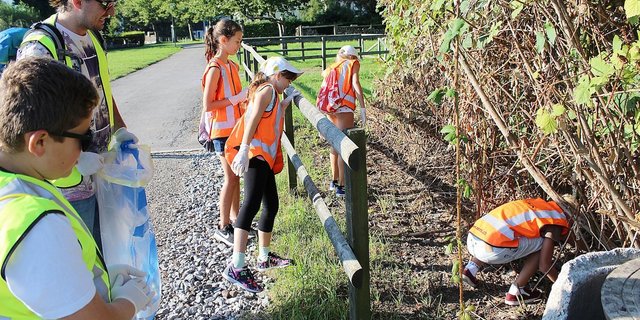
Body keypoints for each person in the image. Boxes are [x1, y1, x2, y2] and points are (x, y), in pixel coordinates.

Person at [0, 57, 153, 319]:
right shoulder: (38, 224)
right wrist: (129, 303)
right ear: (39, 143)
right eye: (83, 138)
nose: (88, 147)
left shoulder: (16, 185)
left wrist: (95, 283)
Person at [17, 0, 136, 248]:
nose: (112, 11)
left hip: (100, 173)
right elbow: (27, 121)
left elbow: (101, 89)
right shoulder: (40, 47)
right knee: (81, 260)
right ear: (77, 1)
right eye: (105, 3)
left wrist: (121, 129)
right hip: (68, 187)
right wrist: (77, 159)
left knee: (107, 255)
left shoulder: (93, 36)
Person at [222, 56, 302, 293]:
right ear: (277, 75)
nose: (289, 83)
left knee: (271, 205)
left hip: (263, 157)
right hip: (255, 155)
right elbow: (253, 118)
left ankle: (263, 258)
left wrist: (287, 101)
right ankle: (236, 266)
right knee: (251, 205)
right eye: (288, 79)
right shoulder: (267, 90)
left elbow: (271, 115)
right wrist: (244, 149)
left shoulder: (273, 94)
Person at [461, 198, 570, 306]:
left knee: (500, 231)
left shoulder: (537, 204)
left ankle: (470, 269)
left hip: (473, 239)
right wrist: (565, 286)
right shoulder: (556, 220)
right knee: (543, 244)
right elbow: (544, 266)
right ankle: (516, 292)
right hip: (493, 250)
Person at [201, 18, 247, 246]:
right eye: (237, 41)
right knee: (230, 178)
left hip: (236, 130)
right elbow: (208, 104)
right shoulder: (215, 68)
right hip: (222, 132)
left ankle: (237, 221)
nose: (239, 45)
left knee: (236, 177)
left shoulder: (231, 66)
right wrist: (236, 99)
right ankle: (223, 226)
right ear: (223, 40)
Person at [320, 45, 366, 197]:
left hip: (330, 108)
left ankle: (334, 181)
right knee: (343, 146)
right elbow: (355, 84)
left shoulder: (332, 67)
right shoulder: (353, 64)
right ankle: (342, 186)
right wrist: (363, 108)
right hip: (344, 108)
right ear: (353, 57)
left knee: (334, 144)